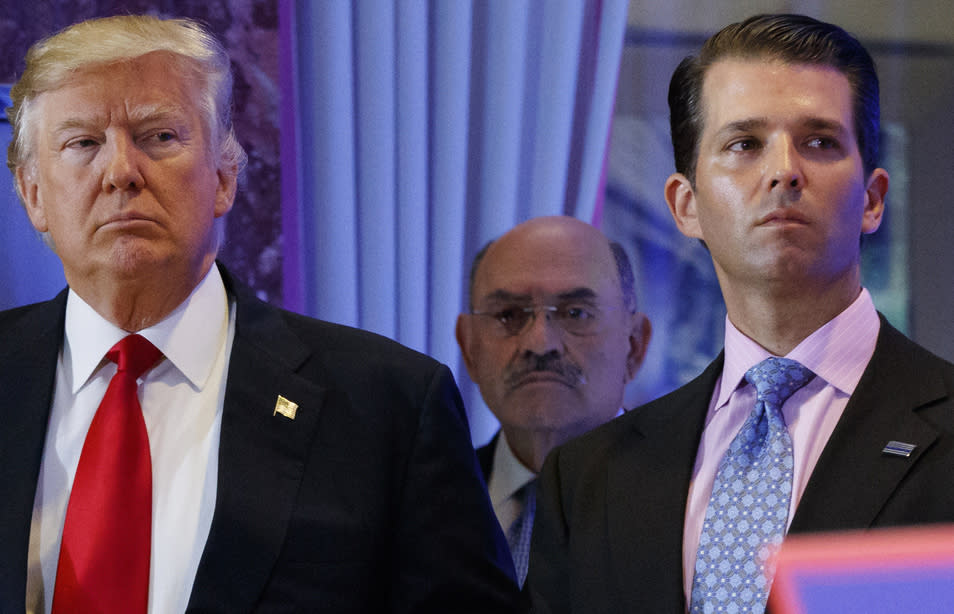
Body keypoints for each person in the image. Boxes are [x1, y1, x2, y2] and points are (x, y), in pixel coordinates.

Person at [0, 14, 521, 613]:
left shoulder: (389, 403)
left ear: (224, 174)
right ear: (33, 194)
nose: (120, 172)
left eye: (159, 136)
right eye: (83, 143)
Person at [527, 13, 954, 614]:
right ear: (685, 205)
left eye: (820, 142)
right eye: (744, 144)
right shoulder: (589, 479)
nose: (784, 170)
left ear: (872, 199)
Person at [456, 216, 652, 586]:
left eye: (576, 313)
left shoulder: (692, 503)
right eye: (509, 315)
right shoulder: (422, 507)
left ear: (634, 345)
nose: (540, 344)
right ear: (469, 348)